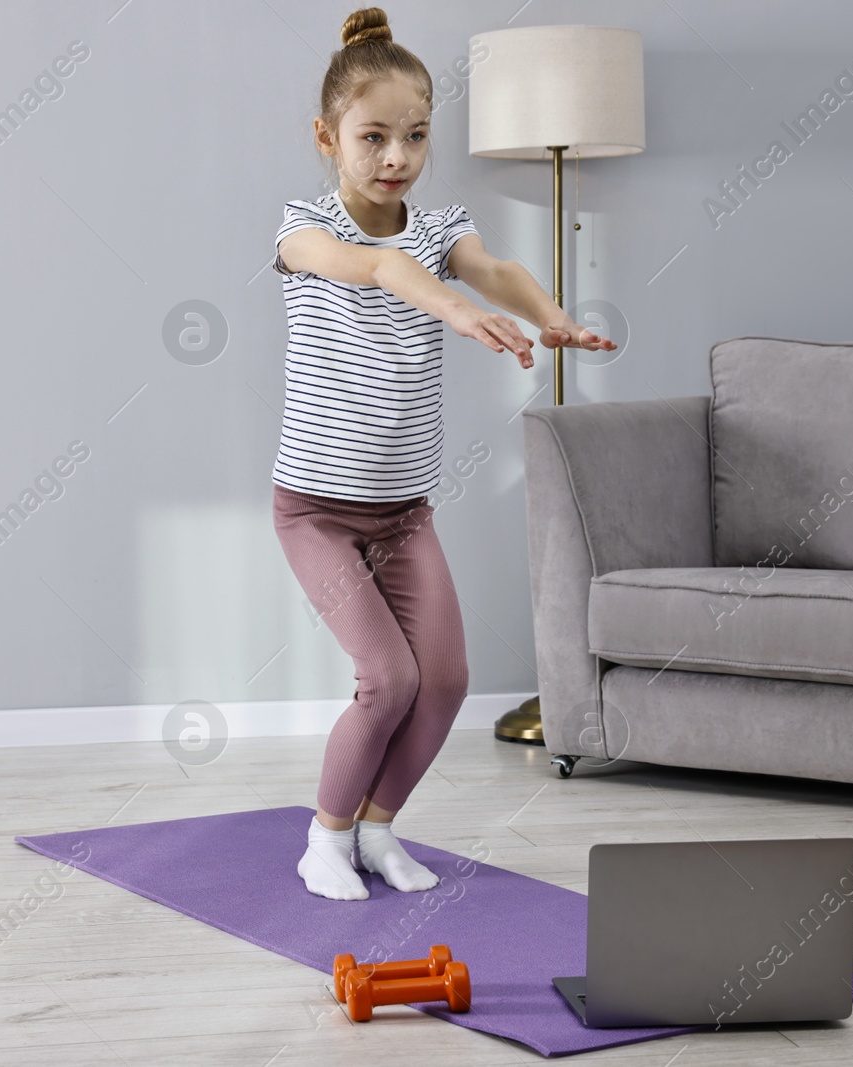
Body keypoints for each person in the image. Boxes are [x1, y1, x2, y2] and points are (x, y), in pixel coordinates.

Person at [271, 6, 616, 901]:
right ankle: (324, 838)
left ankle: (378, 831)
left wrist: (550, 315)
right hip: (315, 509)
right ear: (326, 136)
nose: (396, 158)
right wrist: (454, 310)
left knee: (446, 679)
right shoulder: (300, 230)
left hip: (401, 509)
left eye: (416, 136)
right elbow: (384, 271)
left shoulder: (437, 226)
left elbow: (492, 268)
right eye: (373, 136)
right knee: (386, 678)